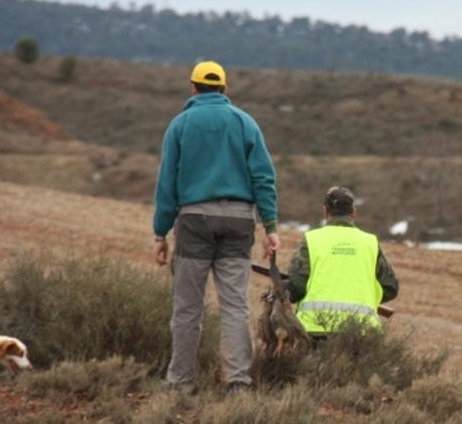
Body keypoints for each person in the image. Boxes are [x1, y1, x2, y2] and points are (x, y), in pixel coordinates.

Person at [152, 60, 280, 394]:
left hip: (194, 221)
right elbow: (263, 178)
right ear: (224, 89)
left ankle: (180, 382)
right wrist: (271, 226)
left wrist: (160, 233)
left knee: (187, 307)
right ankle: (238, 381)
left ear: (193, 87)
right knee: (235, 305)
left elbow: (167, 182)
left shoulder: (180, 124)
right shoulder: (244, 122)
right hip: (239, 221)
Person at [287, 186, 398, 337]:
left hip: (316, 330)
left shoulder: (312, 239)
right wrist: (366, 298)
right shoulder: (370, 242)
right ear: (353, 212)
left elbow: (296, 287)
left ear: (325, 211)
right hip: (363, 331)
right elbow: (391, 287)